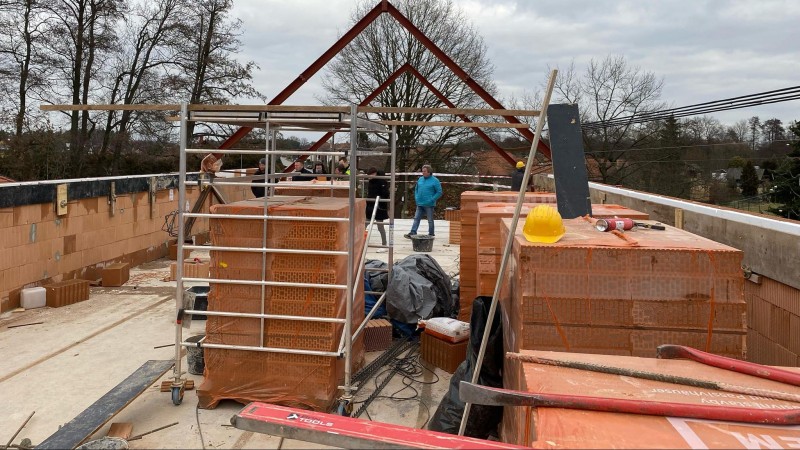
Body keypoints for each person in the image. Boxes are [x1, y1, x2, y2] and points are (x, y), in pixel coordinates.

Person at [404, 164, 442, 238]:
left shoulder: (435, 181)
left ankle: (431, 233)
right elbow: (416, 189)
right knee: (416, 218)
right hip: (420, 203)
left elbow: (439, 192)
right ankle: (413, 232)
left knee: (430, 220)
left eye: (424, 171)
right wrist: (416, 197)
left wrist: (432, 199)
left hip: (429, 204)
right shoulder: (420, 179)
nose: (423, 172)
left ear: (429, 172)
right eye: (422, 171)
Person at [366, 167, 390, 251]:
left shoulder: (381, 181)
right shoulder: (371, 182)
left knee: (380, 226)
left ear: (375, 173)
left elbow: (386, 193)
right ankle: (361, 240)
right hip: (370, 206)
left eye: (370, 175)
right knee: (365, 224)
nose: (369, 177)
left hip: (378, 207)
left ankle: (384, 244)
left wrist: (379, 201)